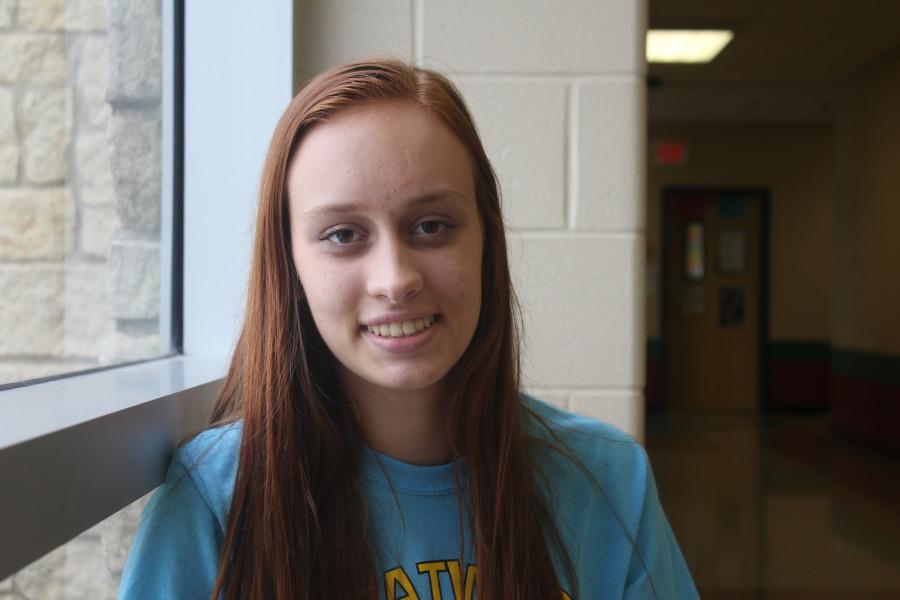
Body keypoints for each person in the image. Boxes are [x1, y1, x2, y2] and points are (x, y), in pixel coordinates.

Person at [118, 58, 699, 600]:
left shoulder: (608, 481)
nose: (395, 280)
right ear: (290, 267)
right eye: (343, 235)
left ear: (486, 242)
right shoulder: (216, 497)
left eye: (431, 225)